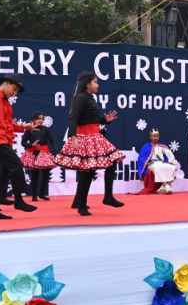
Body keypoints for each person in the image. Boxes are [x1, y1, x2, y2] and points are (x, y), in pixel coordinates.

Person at [55, 72, 125, 215]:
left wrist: (105, 120)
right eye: (95, 82)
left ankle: (105, 197)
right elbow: (73, 118)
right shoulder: (80, 98)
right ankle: (82, 205)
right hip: (85, 137)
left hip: (94, 135)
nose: (97, 85)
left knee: (110, 162)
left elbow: (92, 118)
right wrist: (73, 136)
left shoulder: (89, 98)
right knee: (87, 171)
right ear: (87, 84)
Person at [0, 75, 37, 219]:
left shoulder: (5, 102)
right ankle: (19, 200)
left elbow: (7, 124)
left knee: (1, 175)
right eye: (14, 89)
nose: (14, 93)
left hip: (3, 140)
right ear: (6, 83)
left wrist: (24, 127)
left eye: (16, 92)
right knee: (16, 166)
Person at [21, 112, 56, 201]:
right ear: (34, 119)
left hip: (44, 153)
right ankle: (34, 195)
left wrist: (52, 151)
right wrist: (31, 145)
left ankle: (42, 194)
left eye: (42, 119)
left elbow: (51, 141)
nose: (40, 120)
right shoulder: (29, 129)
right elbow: (23, 142)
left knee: (45, 174)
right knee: (34, 175)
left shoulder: (45, 129)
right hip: (33, 153)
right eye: (38, 118)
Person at [136, 128, 179, 194]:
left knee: (171, 167)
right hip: (152, 164)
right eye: (154, 136)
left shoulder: (162, 146)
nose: (155, 138)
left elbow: (170, 155)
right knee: (157, 167)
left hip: (161, 162)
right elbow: (141, 158)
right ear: (150, 137)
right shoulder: (146, 146)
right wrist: (148, 162)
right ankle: (164, 185)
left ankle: (166, 185)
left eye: (157, 136)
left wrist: (171, 162)